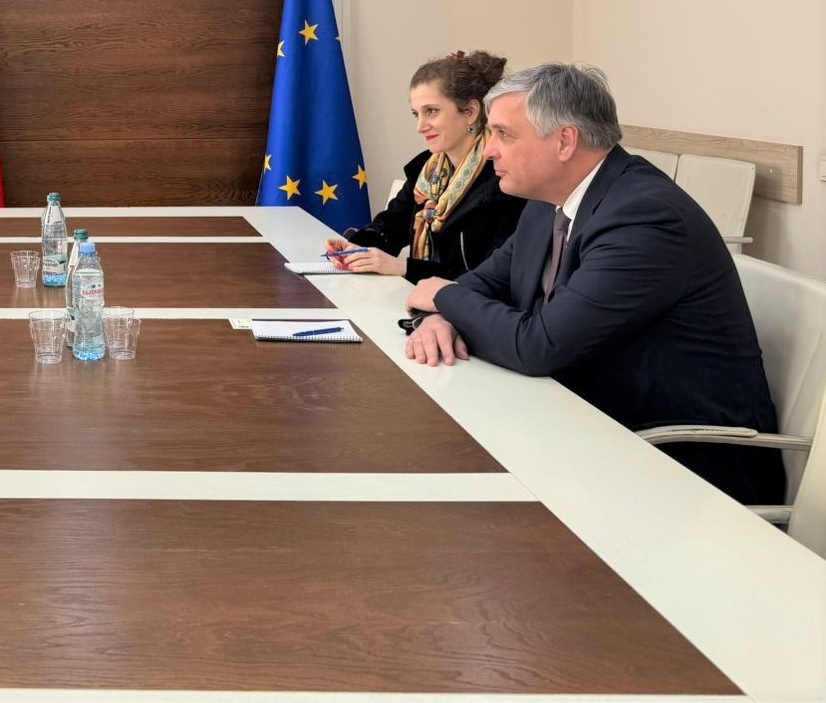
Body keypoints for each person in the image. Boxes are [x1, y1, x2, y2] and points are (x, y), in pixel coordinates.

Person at [403, 63, 783, 504]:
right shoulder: (547, 202)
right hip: (588, 430)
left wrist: (443, 295)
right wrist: (441, 316)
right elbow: (482, 284)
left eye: (504, 134)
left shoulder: (645, 216)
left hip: (682, 469)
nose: (489, 151)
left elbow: (540, 346)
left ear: (565, 141)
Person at [326, 50, 525, 283]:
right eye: (416, 114)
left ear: (471, 112)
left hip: (465, 302)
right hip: (420, 297)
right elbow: (390, 228)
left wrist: (404, 268)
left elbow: (491, 277)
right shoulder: (426, 168)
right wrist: (355, 247)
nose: (420, 126)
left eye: (431, 111)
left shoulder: (504, 179)